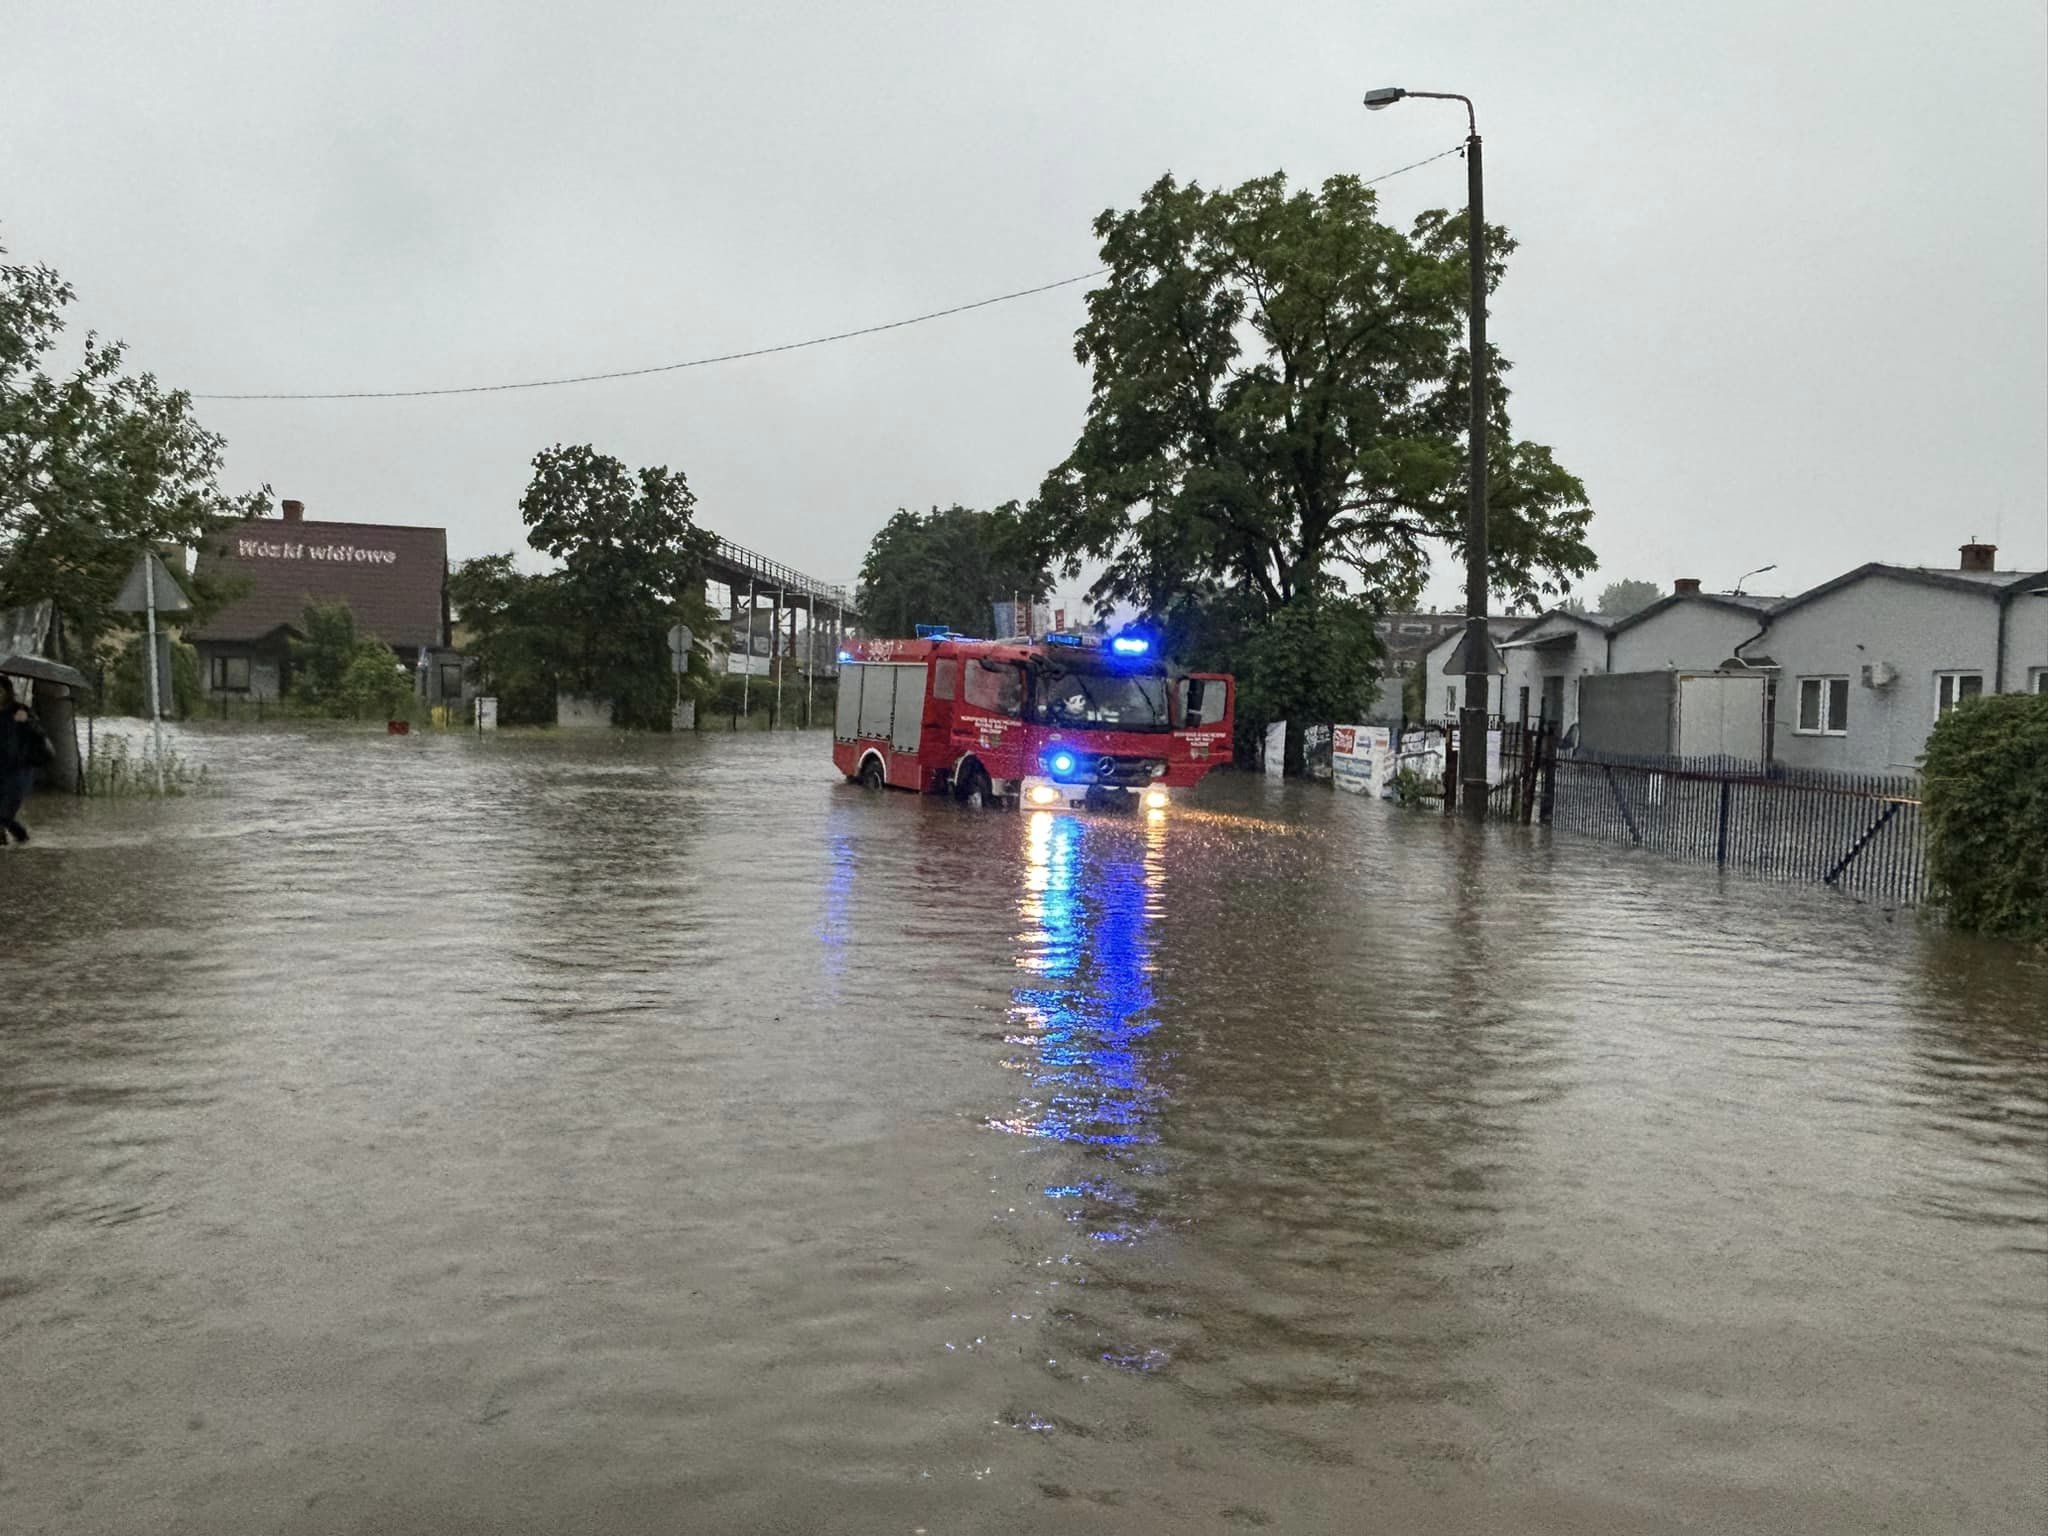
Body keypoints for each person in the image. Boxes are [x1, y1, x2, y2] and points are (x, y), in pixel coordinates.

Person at [0, 676, 53, 844]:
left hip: (19, 771)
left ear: (7, 692)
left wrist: (27, 721)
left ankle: (24, 841)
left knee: (4, 815)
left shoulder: (21, 710)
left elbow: (40, 734)